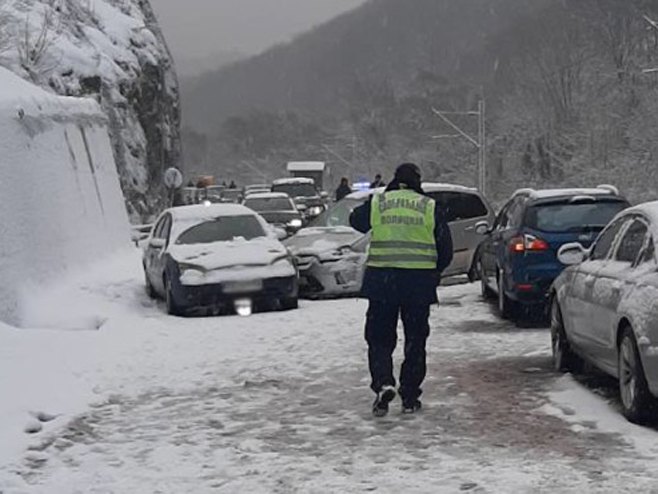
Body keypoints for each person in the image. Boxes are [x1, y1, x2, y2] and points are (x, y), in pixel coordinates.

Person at [350, 163, 453, 417]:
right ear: (419, 181)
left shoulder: (379, 202)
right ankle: (409, 396)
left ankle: (384, 382)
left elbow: (355, 220)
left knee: (379, 339)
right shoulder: (429, 206)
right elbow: (446, 249)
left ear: (395, 180)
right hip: (418, 285)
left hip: (382, 283)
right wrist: (433, 272)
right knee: (416, 341)